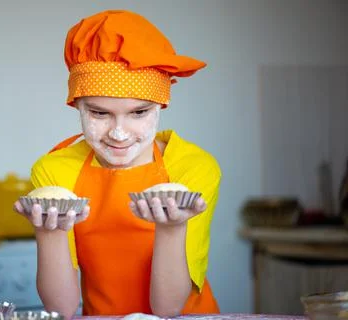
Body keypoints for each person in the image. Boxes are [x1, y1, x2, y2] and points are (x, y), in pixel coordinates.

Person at [13, 9, 222, 319]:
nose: (119, 133)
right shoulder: (55, 170)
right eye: (99, 113)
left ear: (160, 107)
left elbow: (168, 309)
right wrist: (49, 233)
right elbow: (62, 309)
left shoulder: (192, 166)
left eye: (139, 113)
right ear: (77, 106)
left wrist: (171, 227)